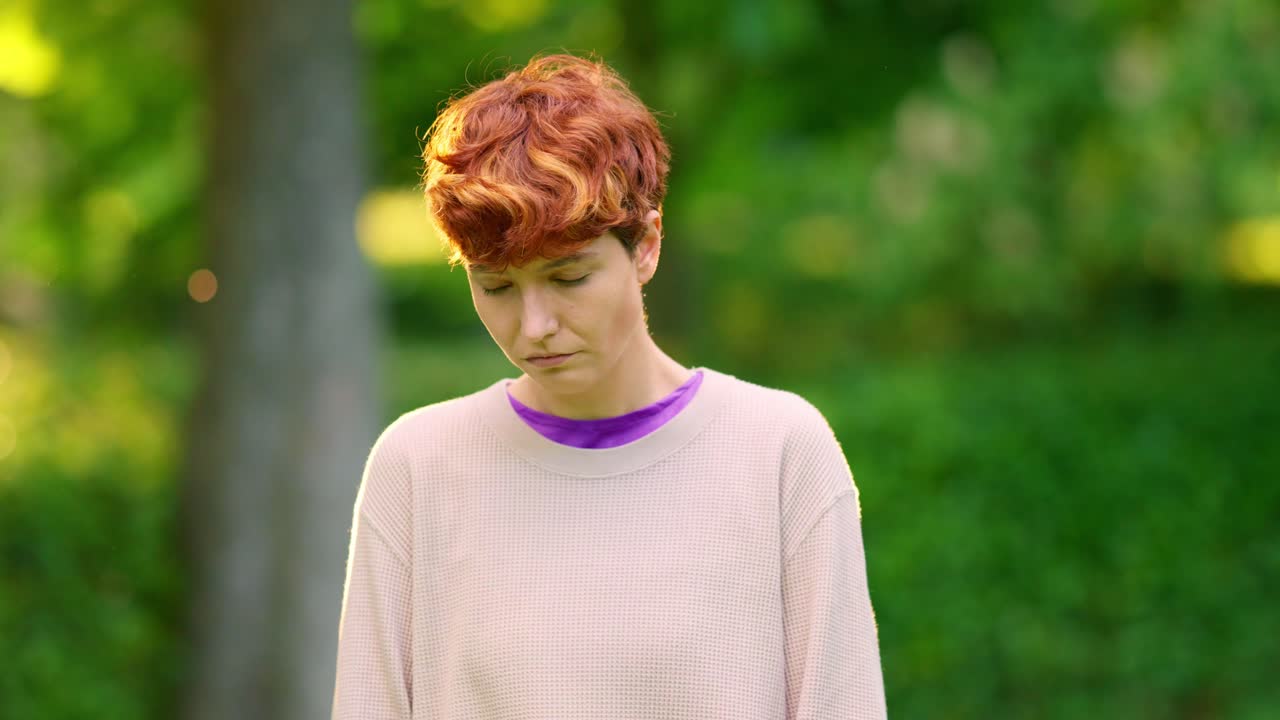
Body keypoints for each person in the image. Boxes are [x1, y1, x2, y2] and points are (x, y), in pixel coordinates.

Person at [331, 52, 887, 719]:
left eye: (569, 279)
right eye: (497, 286)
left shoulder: (779, 453)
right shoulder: (418, 467)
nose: (534, 326)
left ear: (646, 245)